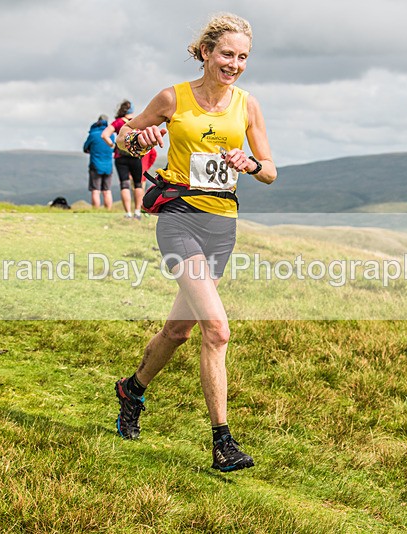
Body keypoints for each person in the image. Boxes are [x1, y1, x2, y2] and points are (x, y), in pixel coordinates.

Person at [113, 12, 276, 472]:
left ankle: (132, 389)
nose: (235, 63)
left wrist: (248, 164)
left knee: (178, 330)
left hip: (221, 226)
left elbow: (270, 171)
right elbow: (122, 140)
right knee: (217, 329)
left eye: (243, 56)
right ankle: (222, 442)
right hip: (179, 219)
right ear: (205, 52)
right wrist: (138, 137)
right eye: (227, 54)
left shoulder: (248, 105)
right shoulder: (173, 97)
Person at [101, 100, 145, 219]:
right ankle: (137, 212)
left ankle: (128, 213)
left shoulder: (117, 122)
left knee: (124, 184)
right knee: (138, 184)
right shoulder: (137, 121)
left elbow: (104, 135)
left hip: (120, 157)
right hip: (135, 156)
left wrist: (112, 145)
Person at [83, 114, 114, 209]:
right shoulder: (111, 135)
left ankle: (96, 210)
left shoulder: (93, 134)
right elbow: (113, 148)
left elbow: (85, 148)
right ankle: (108, 211)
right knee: (107, 190)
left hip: (95, 165)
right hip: (108, 166)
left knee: (95, 190)